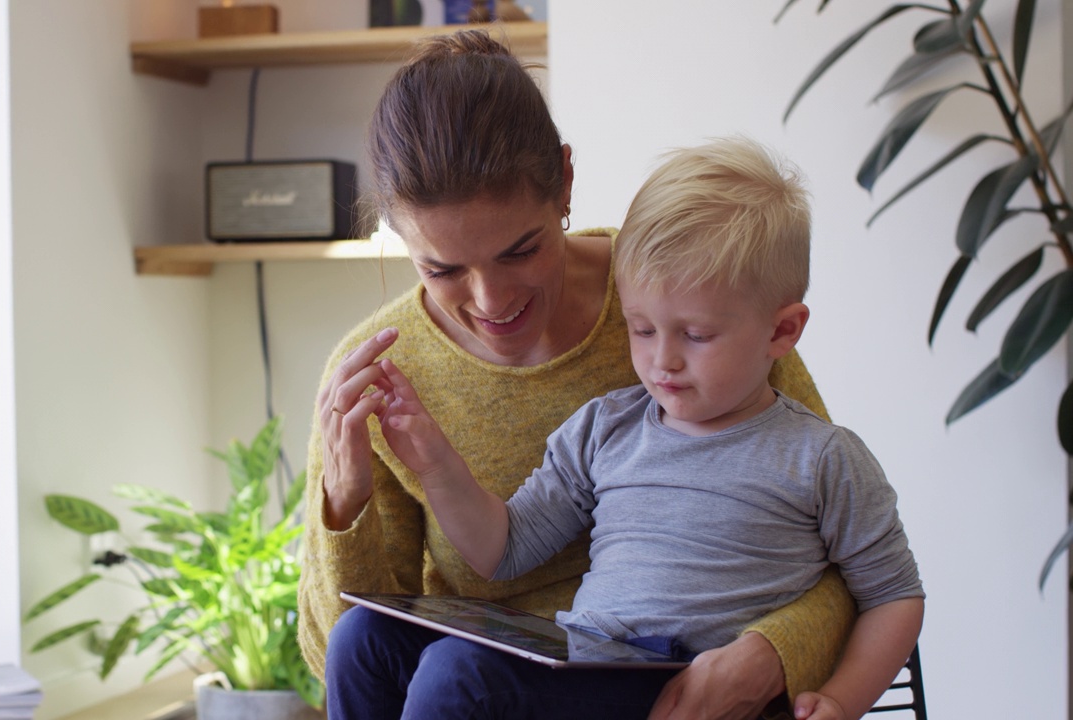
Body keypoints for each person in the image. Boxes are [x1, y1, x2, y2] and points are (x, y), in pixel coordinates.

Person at [296, 29, 857, 720]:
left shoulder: (682, 301)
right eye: (442, 269)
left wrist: (769, 653)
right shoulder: (379, 374)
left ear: (564, 182)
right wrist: (343, 504)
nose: (491, 301)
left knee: (454, 673)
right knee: (369, 639)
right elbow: (338, 660)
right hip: (481, 685)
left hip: (667, 674)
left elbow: (844, 550)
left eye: (520, 250)